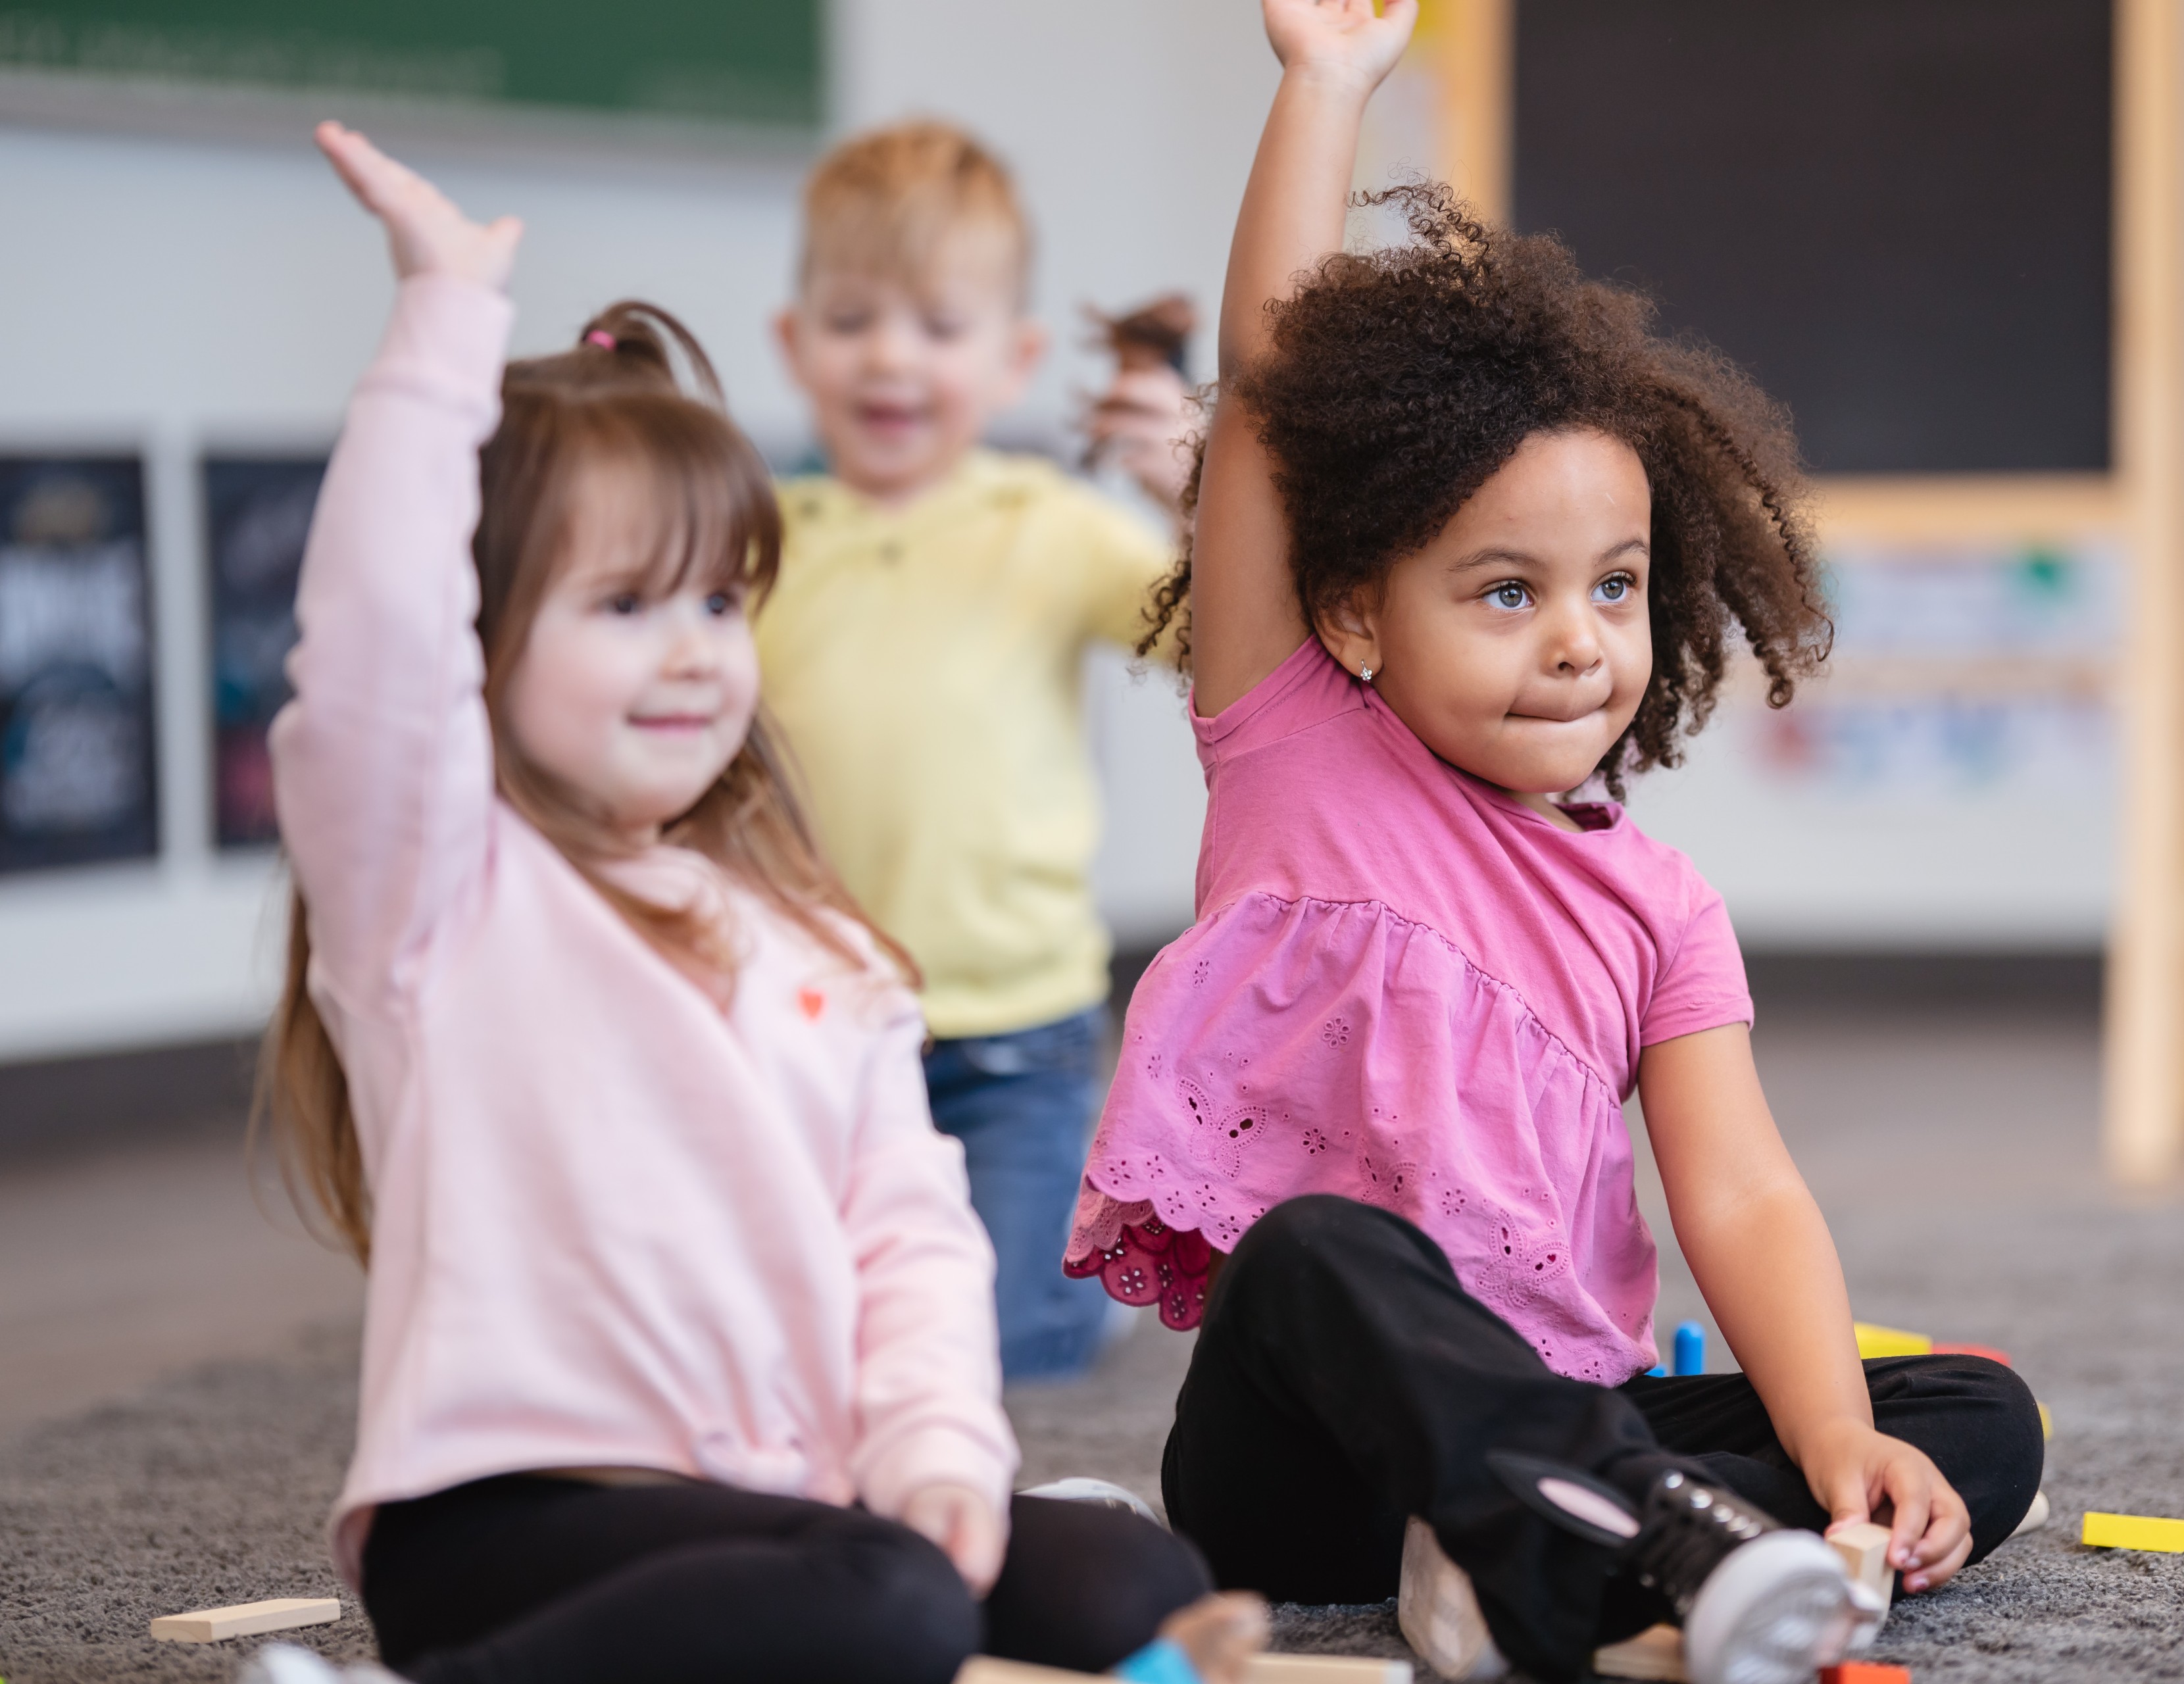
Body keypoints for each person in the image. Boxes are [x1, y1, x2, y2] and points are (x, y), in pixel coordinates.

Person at [1059, 6, 2045, 1683]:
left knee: (1971, 1416)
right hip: (1301, 1464)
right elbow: (1269, 397)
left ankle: (1535, 1546)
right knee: (1321, 1245)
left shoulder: (1660, 906)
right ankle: (1616, 1541)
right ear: (1360, 612)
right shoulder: (1298, 738)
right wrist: (1327, 85)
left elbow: (1738, 1189)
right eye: (1506, 590)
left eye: (1616, 583)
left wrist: (1832, 1443)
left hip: (1558, 1409)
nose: (1579, 639)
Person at [237, 122, 1209, 1684]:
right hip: (509, 1519)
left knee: (1126, 1575)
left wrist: (943, 1456)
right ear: (476, 639)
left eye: (713, 601)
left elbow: (907, 1236)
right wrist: (441, 324)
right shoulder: (435, 886)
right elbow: (365, 664)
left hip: (783, 1500)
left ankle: (881, 1556)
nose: (693, 649)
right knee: (885, 1607)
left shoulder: (818, 935)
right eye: (624, 605)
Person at [755, 122, 1194, 1379]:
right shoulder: (752, 542)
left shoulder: (1053, 527)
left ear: (1014, 361)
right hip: (812, 1036)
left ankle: (1071, 1282)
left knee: (1000, 1351)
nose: (891, 357)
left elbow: (1237, 651)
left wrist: (1183, 491)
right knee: (797, 1346)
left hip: (1016, 1045)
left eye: (939, 327)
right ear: (795, 345)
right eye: (851, 320)